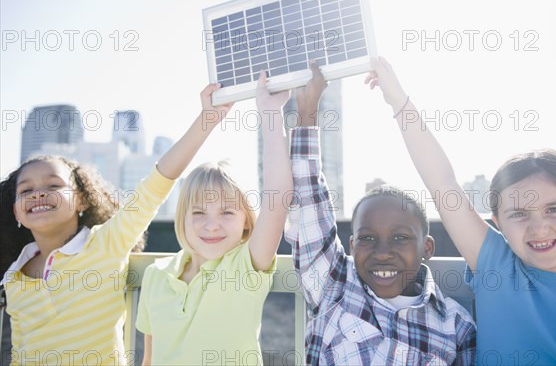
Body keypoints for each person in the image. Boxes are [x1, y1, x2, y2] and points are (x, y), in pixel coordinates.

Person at [366, 56, 556, 365]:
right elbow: (442, 183)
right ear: (498, 223)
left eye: (554, 209)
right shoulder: (497, 266)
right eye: (518, 214)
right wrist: (398, 101)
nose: (538, 228)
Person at [0, 82, 231, 366]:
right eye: (26, 190)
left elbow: (156, 185)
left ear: (82, 201)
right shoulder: (13, 276)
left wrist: (207, 118)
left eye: (53, 185)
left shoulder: (106, 243)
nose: (38, 193)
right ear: (17, 213)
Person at [285, 62, 476, 365]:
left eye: (400, 237)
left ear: (426, 247)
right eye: (368, 238)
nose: (382, 252)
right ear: (351, 247)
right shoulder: (334, 286)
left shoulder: (456, 325)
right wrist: (307, 109)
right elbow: (308, 200)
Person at [135, 71, 293, 366]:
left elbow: (277, 199)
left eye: (227, 212)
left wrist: (271, 114)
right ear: (182, 217)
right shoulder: (156, 275)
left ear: (247, 219)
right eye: (198, 212)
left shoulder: (247, 267)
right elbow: (149, 359)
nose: (211, 224)